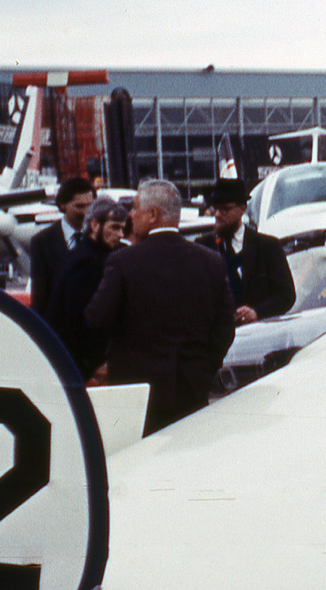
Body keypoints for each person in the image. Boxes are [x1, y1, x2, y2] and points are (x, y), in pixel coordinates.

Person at [85, 180, 235, 435]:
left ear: (152, 214)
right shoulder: (211, 261)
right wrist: (204, 367)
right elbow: (225, 328)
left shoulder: (122, 261)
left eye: (135, 208)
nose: (130, 215)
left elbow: (96, 318)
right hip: (193, 388)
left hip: (137, 393)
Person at [195, 178, 296, 325]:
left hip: (259, 335)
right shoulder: (202, 247)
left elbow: (286, 295)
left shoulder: (268, 246)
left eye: (224, 209)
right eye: (214, 209)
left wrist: (257, 312)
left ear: (242, 209)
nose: (217, 215)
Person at [47, 198, 128, 379]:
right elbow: (80, 320)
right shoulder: (89, 262)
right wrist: (92, 364)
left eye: (122, 228)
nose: (120, 234)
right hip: (79, 365)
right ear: (94, 225)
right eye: (114, 227)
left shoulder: (82, 254)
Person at [29, 176, 95, 315]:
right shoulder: (42, 243)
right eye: (79, 206)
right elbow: (40, 297)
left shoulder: (100, 239)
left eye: (90, 206)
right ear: (62, 205)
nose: (86, 212)